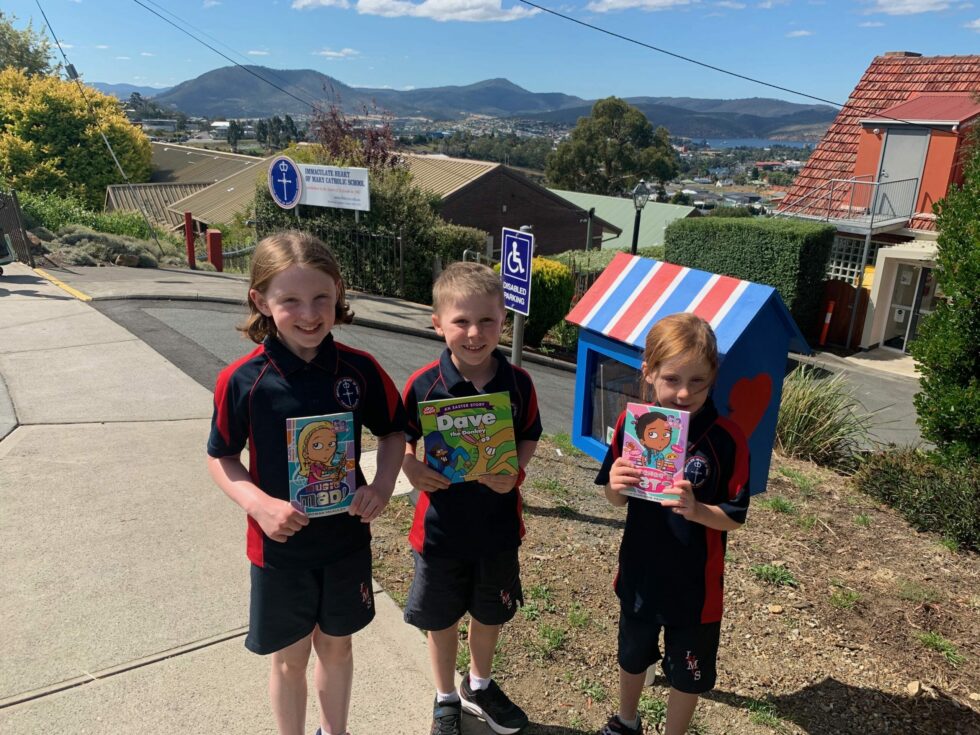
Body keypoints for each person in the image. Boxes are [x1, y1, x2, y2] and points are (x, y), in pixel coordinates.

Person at [206, 230, 407, 735]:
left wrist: (381, 486)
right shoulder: (243, 381)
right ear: (260, 300)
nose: (310, 312)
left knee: (337, 647)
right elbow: (222, 458)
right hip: (280, 550)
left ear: (339, 291)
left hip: (344, 543)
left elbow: (392, 432)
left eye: (321, 296)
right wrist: (258, 504)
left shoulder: (359, 371)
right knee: (290, 659)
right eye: (290, 300)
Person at [401, 261, 542, 735]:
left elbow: (529, 434)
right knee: (440, 620)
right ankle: (444, 696)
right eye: (461, 321)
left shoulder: (519, 383)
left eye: (488, 320)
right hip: (439, 531)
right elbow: (398, 438)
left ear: (504, 321)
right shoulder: (423, 384)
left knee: (489, 612)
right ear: (437, 322)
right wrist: (410, 466)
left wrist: (516, 471)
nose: (475, 333)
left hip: (497, 530)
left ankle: (478, 684)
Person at [595, 313, 750, 735]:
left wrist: (698, 510)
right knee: (631, 656)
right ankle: (627, 720)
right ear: (648, 373)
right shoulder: (634, 426)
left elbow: (734, 518)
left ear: (713, 376)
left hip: (695, 589)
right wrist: (615, 483)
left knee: (687, 675)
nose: (684, 393)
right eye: (671, 379)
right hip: (641, 575)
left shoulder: (727, 439)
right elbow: (613, 497)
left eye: (697, 381)